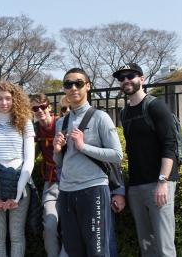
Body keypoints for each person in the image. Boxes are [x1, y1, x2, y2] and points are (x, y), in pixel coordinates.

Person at [53, 68, 123, 257]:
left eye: (79, 83)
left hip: (93, 189)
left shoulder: (101, 117)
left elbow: (117, 155)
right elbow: (59, 162)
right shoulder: (62, 122)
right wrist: (57, 150)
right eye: (68, 84)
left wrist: (83, 146)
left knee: (97, 250)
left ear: (88, 86)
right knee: (73, 250)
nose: (73, 88)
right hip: (67, 191)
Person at [114, 63, 178, 257]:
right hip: (136, 187)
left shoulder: (155, 106)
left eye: (131, 76)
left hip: (159, 184)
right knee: (147, 246)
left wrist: (162, 181)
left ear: (142, 79)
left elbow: (170, 145)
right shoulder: (124, 113)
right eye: (121, 78)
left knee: (165, 247)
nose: (126, 80)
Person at [0, 81, 35, 257]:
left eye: (8, 98)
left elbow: (29, 159)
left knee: (17, 235)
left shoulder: (25, 122)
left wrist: (17, 194)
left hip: (20, 183)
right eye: (0, 98)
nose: (4, 103)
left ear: (15, 99)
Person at [30, 94, 66, 257]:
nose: (39, 111)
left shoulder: (62, 123)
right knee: (50, 225)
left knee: (70, 225)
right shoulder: (35, 128)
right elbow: (31, 156)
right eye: (35, 108)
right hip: (50, 182)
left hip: (70, 180)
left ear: (50, 107)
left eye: (43, 106)